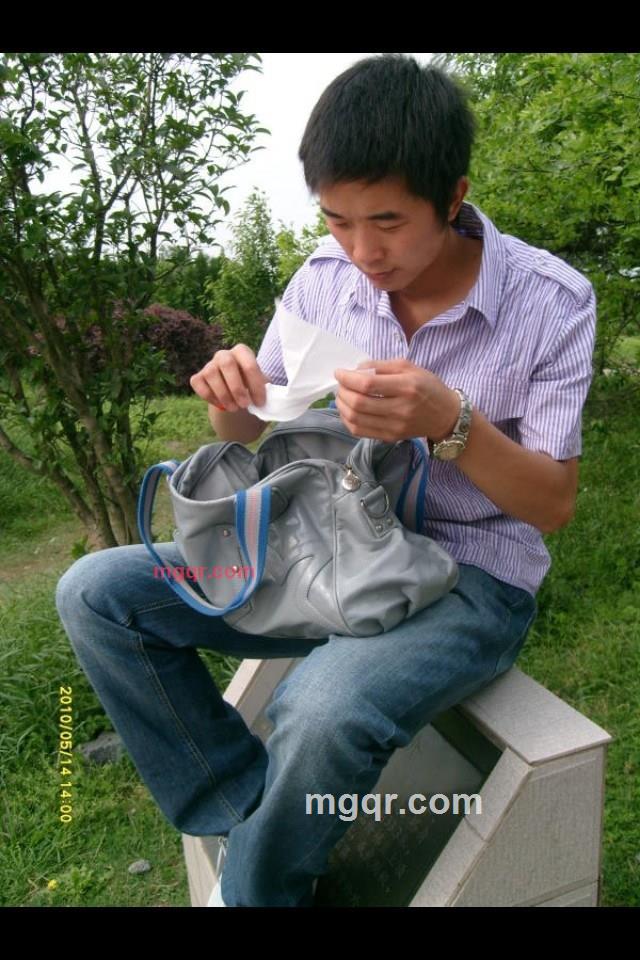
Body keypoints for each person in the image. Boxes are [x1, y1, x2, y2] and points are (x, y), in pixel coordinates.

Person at [55, 54, 597, 908]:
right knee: (99, 593)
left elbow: (552, 504)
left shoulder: (552, 302)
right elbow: (249, 427)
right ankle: (245, 818)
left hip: (470, 578)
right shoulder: (322, 279)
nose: (362, 251)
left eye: (387, 221)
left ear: (452, 198)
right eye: (337, 221)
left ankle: (257, 891)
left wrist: (451, 423)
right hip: (321, 550)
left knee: (321, 707)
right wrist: (229, 396)